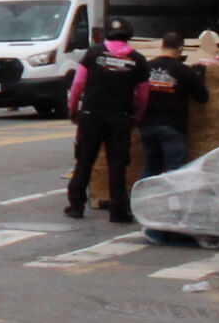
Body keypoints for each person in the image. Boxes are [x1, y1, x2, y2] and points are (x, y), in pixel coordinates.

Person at [66, 16, 150, 223]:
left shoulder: (93, 53)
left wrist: (72, 109)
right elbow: (143, 94)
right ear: (128, 36)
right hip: (120, 117)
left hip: (91, 115)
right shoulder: (138, 60)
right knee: (117, 164)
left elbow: (78, 85)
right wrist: (137, 115)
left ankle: (76, 205)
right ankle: (118, 210)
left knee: (84, 160)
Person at [139, 31, 208, 179]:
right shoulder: (184, 71)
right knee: (177, 173)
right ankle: (175, 202)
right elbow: (202, 98)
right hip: (172, 128)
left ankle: (140, 199)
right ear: (180, 49)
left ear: (162, 46)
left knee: (152, 168)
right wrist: (199, 78)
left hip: (147, 126)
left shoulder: (145, 68)